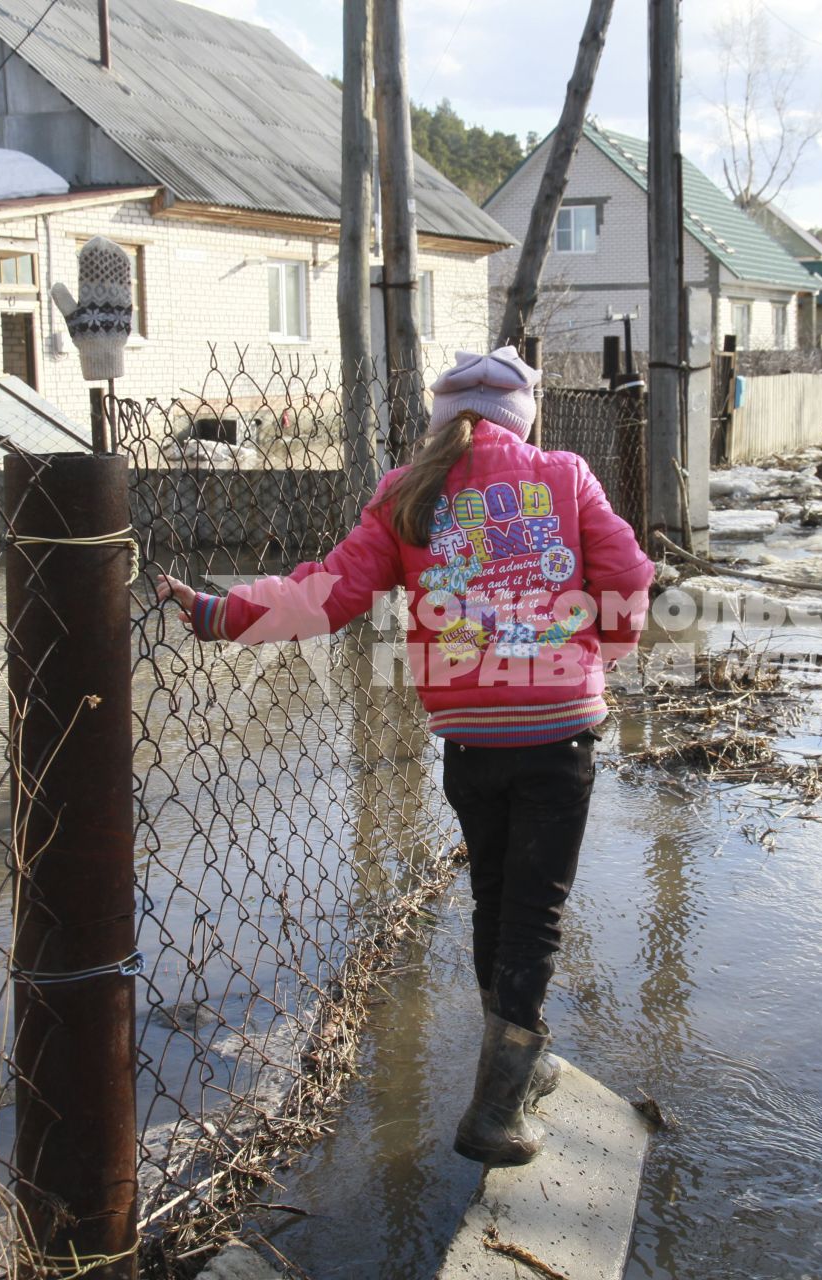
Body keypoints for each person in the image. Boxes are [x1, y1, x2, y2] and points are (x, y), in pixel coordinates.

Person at [155, 346, 654, 1167]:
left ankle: (517, 1068)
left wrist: (221, 613)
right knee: (538, 912)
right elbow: (628, 573)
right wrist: (611, 645)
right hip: (558, 727)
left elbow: (329, 593)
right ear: (522, 417)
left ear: (439, 417)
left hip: (470, 736)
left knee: (495, 894)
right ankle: (496, 1106)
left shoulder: (406, 491)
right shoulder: (564, 475)